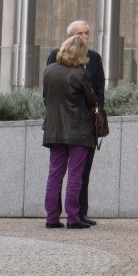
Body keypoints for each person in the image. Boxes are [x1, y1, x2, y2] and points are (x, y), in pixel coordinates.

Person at [46, 20, 105, 226]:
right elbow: (93, 100)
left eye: (86, 32)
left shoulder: (50, 70)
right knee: (75, 175)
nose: (84, 36)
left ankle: (52, 217)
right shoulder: (81, 73)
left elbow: (47, 98)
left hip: (54, 129)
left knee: (55, 174)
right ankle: (73, 217)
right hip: (79, 129)